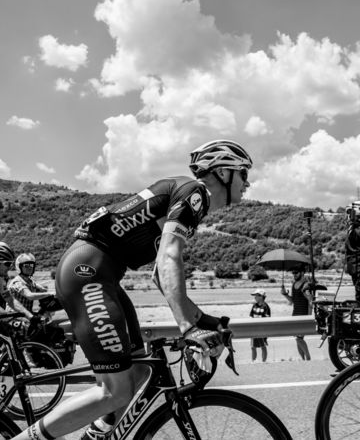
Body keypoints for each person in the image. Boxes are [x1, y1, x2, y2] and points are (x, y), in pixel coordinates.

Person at [11, 139, 252, 440]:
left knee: (139, 373)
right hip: (88, 273)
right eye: (244, 174)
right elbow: (169, 258)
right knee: (113, 391)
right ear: (223, 173)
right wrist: (189, 328)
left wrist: (201, 319)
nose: (248, 183)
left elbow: (159, 275)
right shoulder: (194, 193)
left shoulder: (189, 198)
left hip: (103, 276)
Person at [6, 253, 55, 321]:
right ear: (19, 267)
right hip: (15, 316)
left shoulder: (30, 281)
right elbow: (29, 295)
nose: (29, 268)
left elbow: (42, 289)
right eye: (26, 266)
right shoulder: (17, 282)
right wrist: (50, 293)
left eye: (31, 265)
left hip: (26, 314)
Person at [281, 264, 313, 360]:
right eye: (293, 273)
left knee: (298, 338)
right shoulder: (294, 284)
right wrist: (285, 294)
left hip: (303, 314)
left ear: (302, 273)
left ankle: (308, 358)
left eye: (296, 272)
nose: (294, 274)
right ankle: (303, 359)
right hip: (295, 314)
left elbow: (310, 301)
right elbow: (292, 301)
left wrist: (309, 316)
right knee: (298, 339)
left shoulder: (306, 284)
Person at [249, 289, 271, 362]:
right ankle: (253, 361)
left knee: (263, 346)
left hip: (262, 330)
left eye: (256, 296)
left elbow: (267, 319)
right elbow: (251, 316)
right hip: (253, 329)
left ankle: (263, 362)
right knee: (253, 347)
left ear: (261, 296)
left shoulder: (265, 306)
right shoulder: (254, 305)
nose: (255, 297)